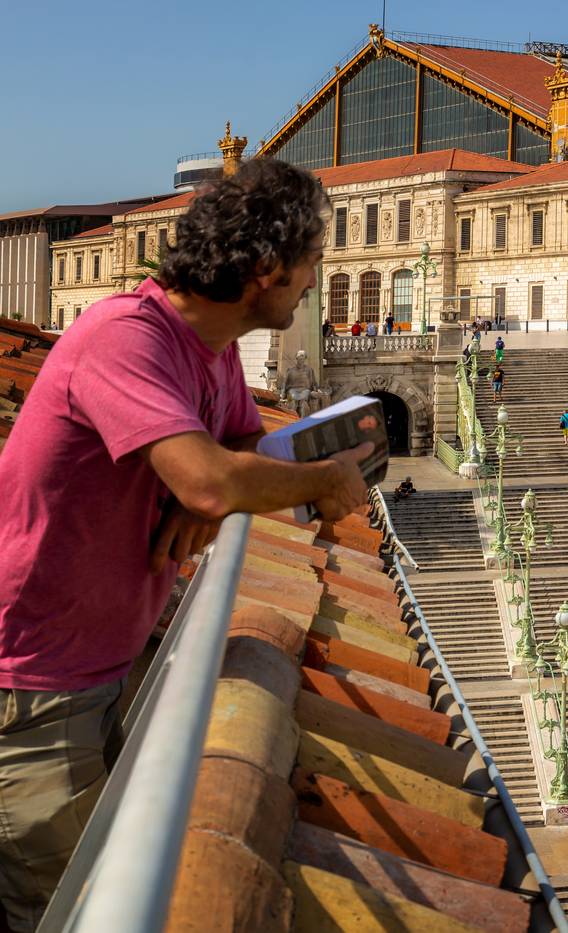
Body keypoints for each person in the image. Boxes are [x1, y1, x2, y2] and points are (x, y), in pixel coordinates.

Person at [0, 159, 370, 931]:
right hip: (36, 684)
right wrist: (315, 481)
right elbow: (212, 476)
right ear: (266, 270)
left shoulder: (212, 347)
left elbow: (233, 446)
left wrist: (210, 486)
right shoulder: (124, 336)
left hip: (101, 660)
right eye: (309, 263)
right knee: (67, 902)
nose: (313, 281)